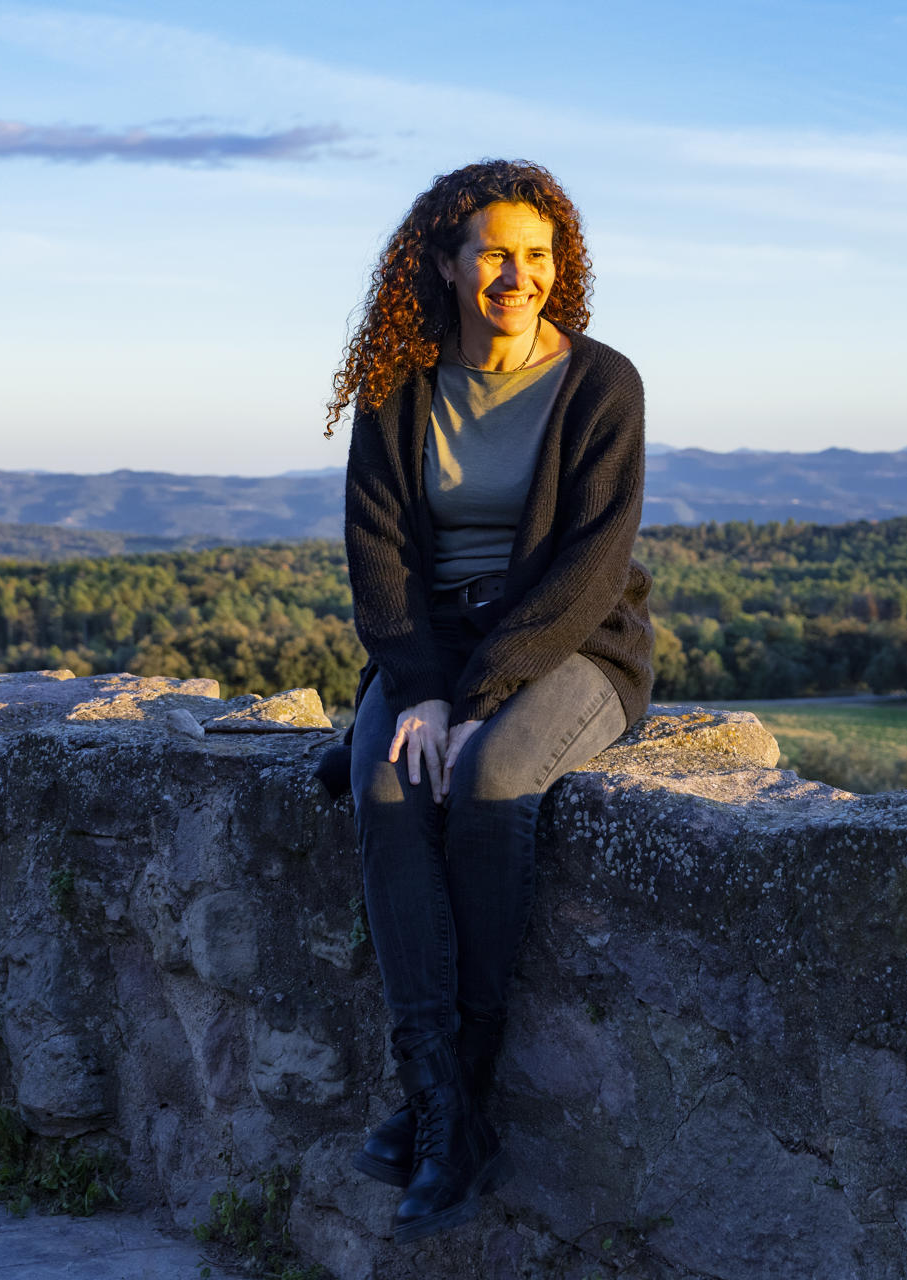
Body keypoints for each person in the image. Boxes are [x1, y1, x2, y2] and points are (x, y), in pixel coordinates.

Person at [321, 159, 653, 1244]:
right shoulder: (399, 384)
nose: (519, 274)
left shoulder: (602, 384)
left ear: (563, 269)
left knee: (492, 771)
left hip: (570, 645)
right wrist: (420, 688)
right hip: (427, 647)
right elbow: (377, 553)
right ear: (450, 264)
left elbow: (591, 568)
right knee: (383, 777)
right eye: (497, 253)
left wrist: (486, 692)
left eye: (539, 255)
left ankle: (446, 1098)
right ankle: (441, 1104)